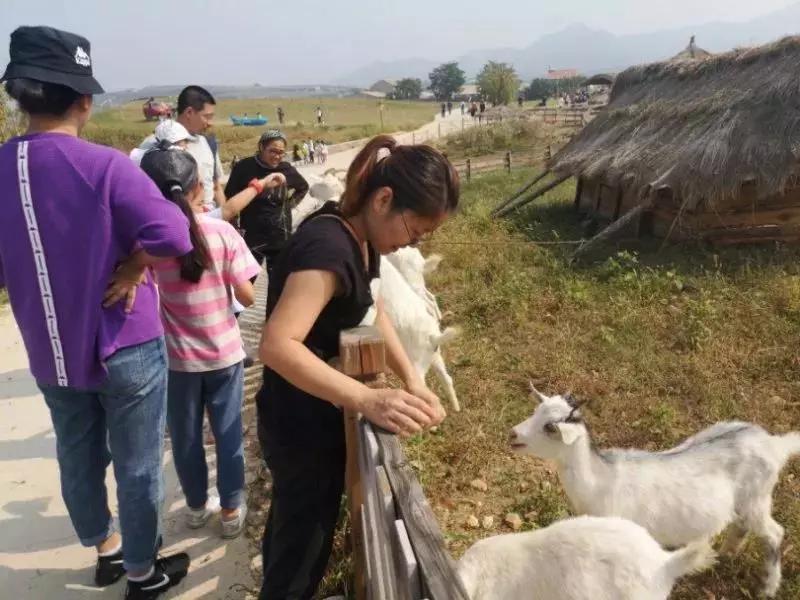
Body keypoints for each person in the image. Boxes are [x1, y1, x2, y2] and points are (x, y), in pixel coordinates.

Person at [0, 26, 192, 599]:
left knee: (76, 454)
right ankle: (142, 573)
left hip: (48, 346)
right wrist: (134, 266)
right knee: (136, 466)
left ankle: (105, 550)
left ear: (20, 96)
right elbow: (174, 233)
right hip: (123, 342)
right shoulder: (105, 166)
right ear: (84, 100)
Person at [255, 134, 458, 599]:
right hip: (300, 427)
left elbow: (374, 309)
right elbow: (277, 345)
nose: (413, 243)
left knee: (293, 535)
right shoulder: (329, 248)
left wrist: (412, 379)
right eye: (415, 231)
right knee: (299, 558)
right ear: (384, 199)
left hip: (313, 417)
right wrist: (368, 397)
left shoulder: (358, 238)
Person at [135, 148, 261, 541]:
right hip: (224, 355)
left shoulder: (147, 243)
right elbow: (248, 295)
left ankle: (194, 507)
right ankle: (229, 509)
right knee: (227, 434)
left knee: (186, 438)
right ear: (199, 188)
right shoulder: (222, 233)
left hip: (176, 362)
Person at [225, 130, 309, 279]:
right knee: (245, 279)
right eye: (273, 151)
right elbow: (229, 195)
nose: (277, 156)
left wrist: (289, 206)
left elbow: (303, 187)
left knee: (278, 283)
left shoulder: (286, 169)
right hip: (252, 234)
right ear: (261, 147)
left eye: (281, 152)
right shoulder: (244, 167)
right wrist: (233, 223)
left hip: (280, 236)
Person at [134, 85, 225, 211]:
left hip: (209, 220)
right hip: (176, 220)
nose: (210, 122)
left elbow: (216, 186)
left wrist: (226, 220)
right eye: (207, 116)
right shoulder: (153, 144)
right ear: (189, 112)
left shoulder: (208, 142)